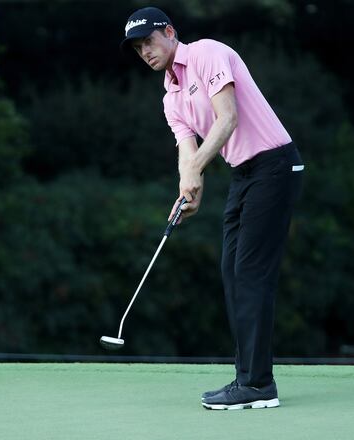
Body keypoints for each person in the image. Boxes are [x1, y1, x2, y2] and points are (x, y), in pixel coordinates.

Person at [120, 7, 304, 410]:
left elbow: (228, 119)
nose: (145, 52)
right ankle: (248, 380)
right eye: (138, 49)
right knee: (232, 272)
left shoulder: (206, 53)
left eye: (149, 41)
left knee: (251, 273)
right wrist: (188, 190)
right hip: (244, 175)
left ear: (170, 32)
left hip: (275, 165)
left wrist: (197, 170)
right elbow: (188, 156)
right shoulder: (171, 97)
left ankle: (257, 385)